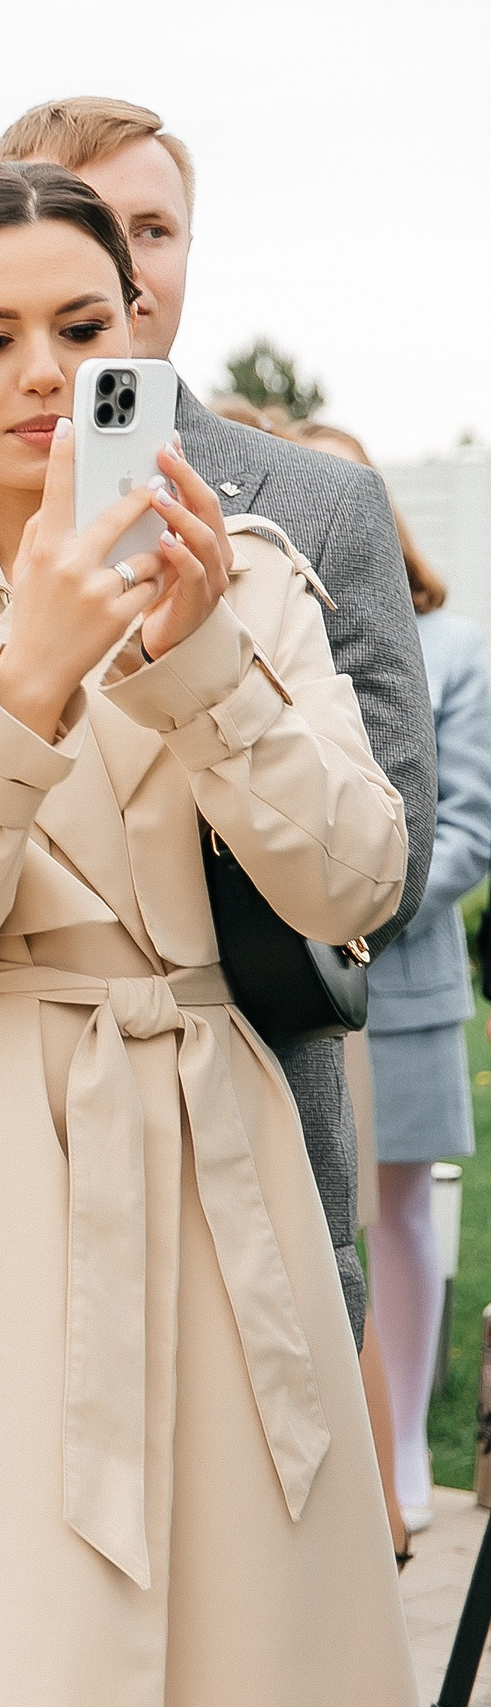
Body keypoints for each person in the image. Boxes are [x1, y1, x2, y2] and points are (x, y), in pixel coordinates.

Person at [0, 162, 413, 1701]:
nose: (43, 373)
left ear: (140, 333)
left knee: (253, 1617)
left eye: (82, 325)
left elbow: (359, 878)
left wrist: (196, 660)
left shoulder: (251, 575)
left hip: (216, 1145)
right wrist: (25, 684)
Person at [295, 418, 491, 1539]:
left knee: (402, 1208)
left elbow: (461, 819)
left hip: (402, 977)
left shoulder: (452, 644)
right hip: (280, 979)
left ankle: (407, 1439)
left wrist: (369, 894)